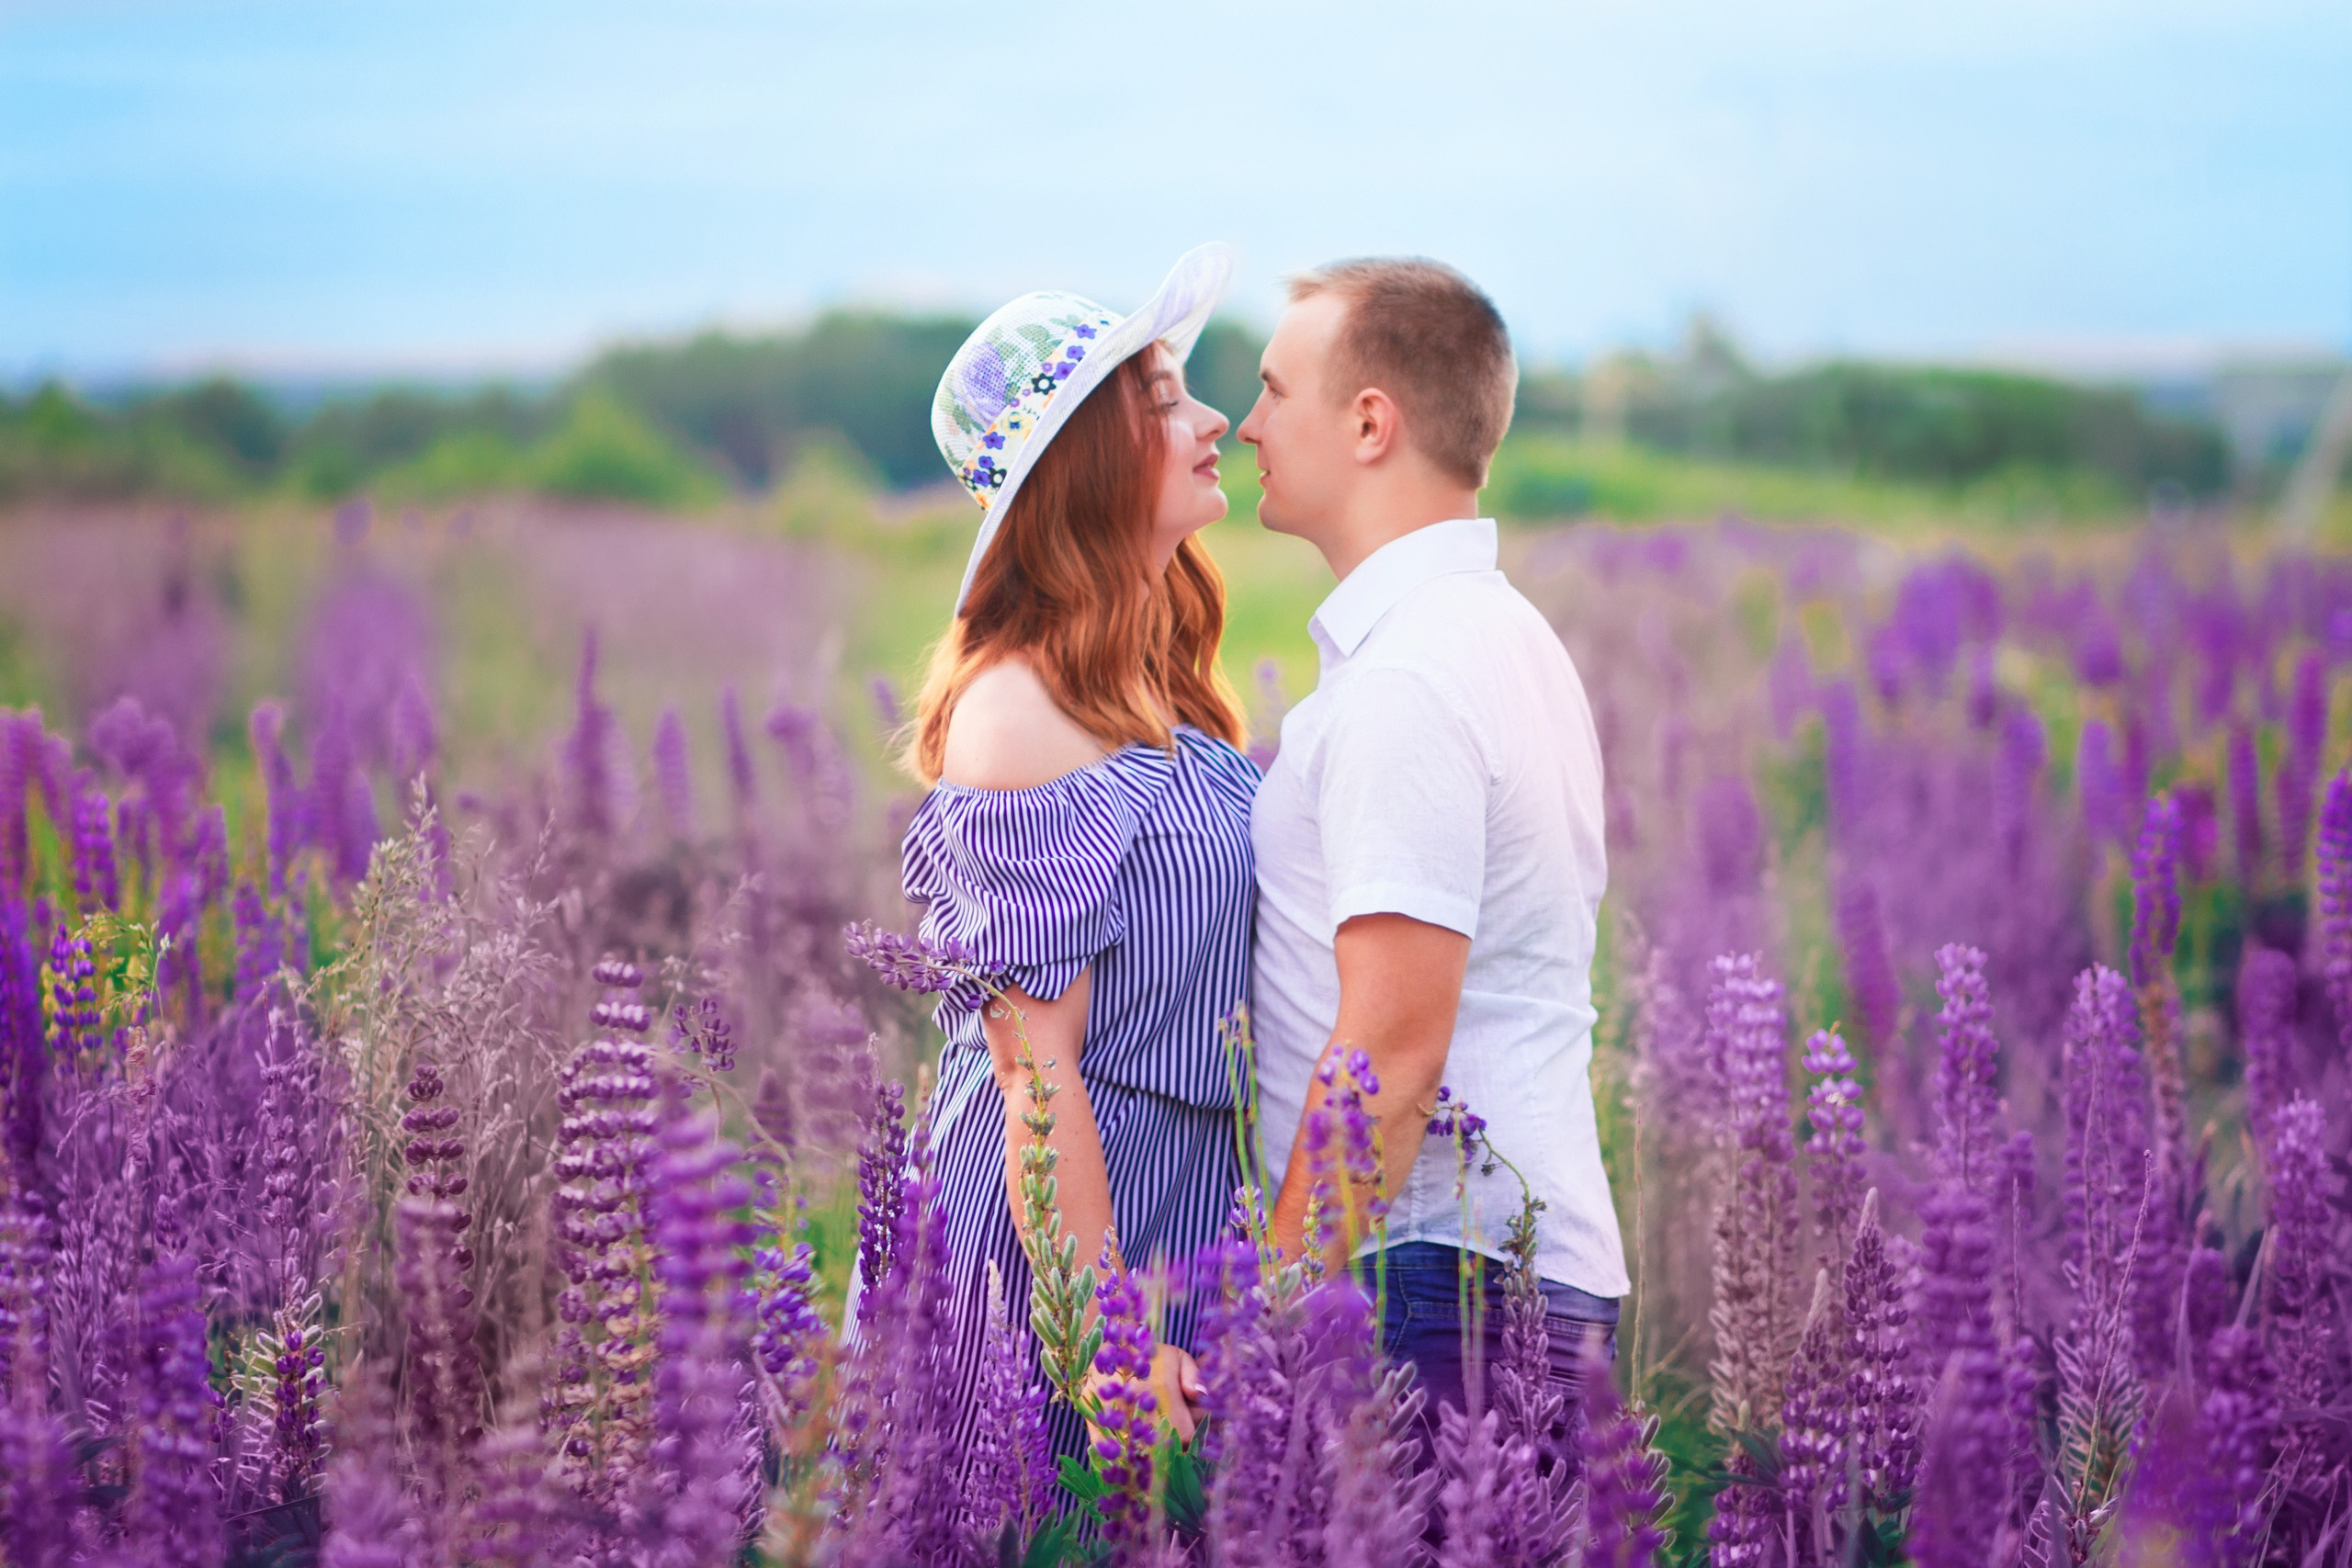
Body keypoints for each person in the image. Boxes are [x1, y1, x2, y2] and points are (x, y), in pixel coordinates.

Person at [1236, 258, 1629, 1458]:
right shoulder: (1500, 636)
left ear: (1370, 423)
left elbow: (1393, 1053)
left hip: (1433, 1275)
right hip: (1487, 1268)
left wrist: (1270, 1313)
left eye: (1273, 390)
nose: (1246, 425)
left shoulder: (1408, 677)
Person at [890, 243, 1254, 1465]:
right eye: (1164, 400)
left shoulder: (1149, 677)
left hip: (1183, 1206)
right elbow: (1033, 1072)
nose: (1212, 420)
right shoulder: (1016, 709)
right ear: (1089, 457)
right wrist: (1103, 1345)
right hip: (1056, 1243)